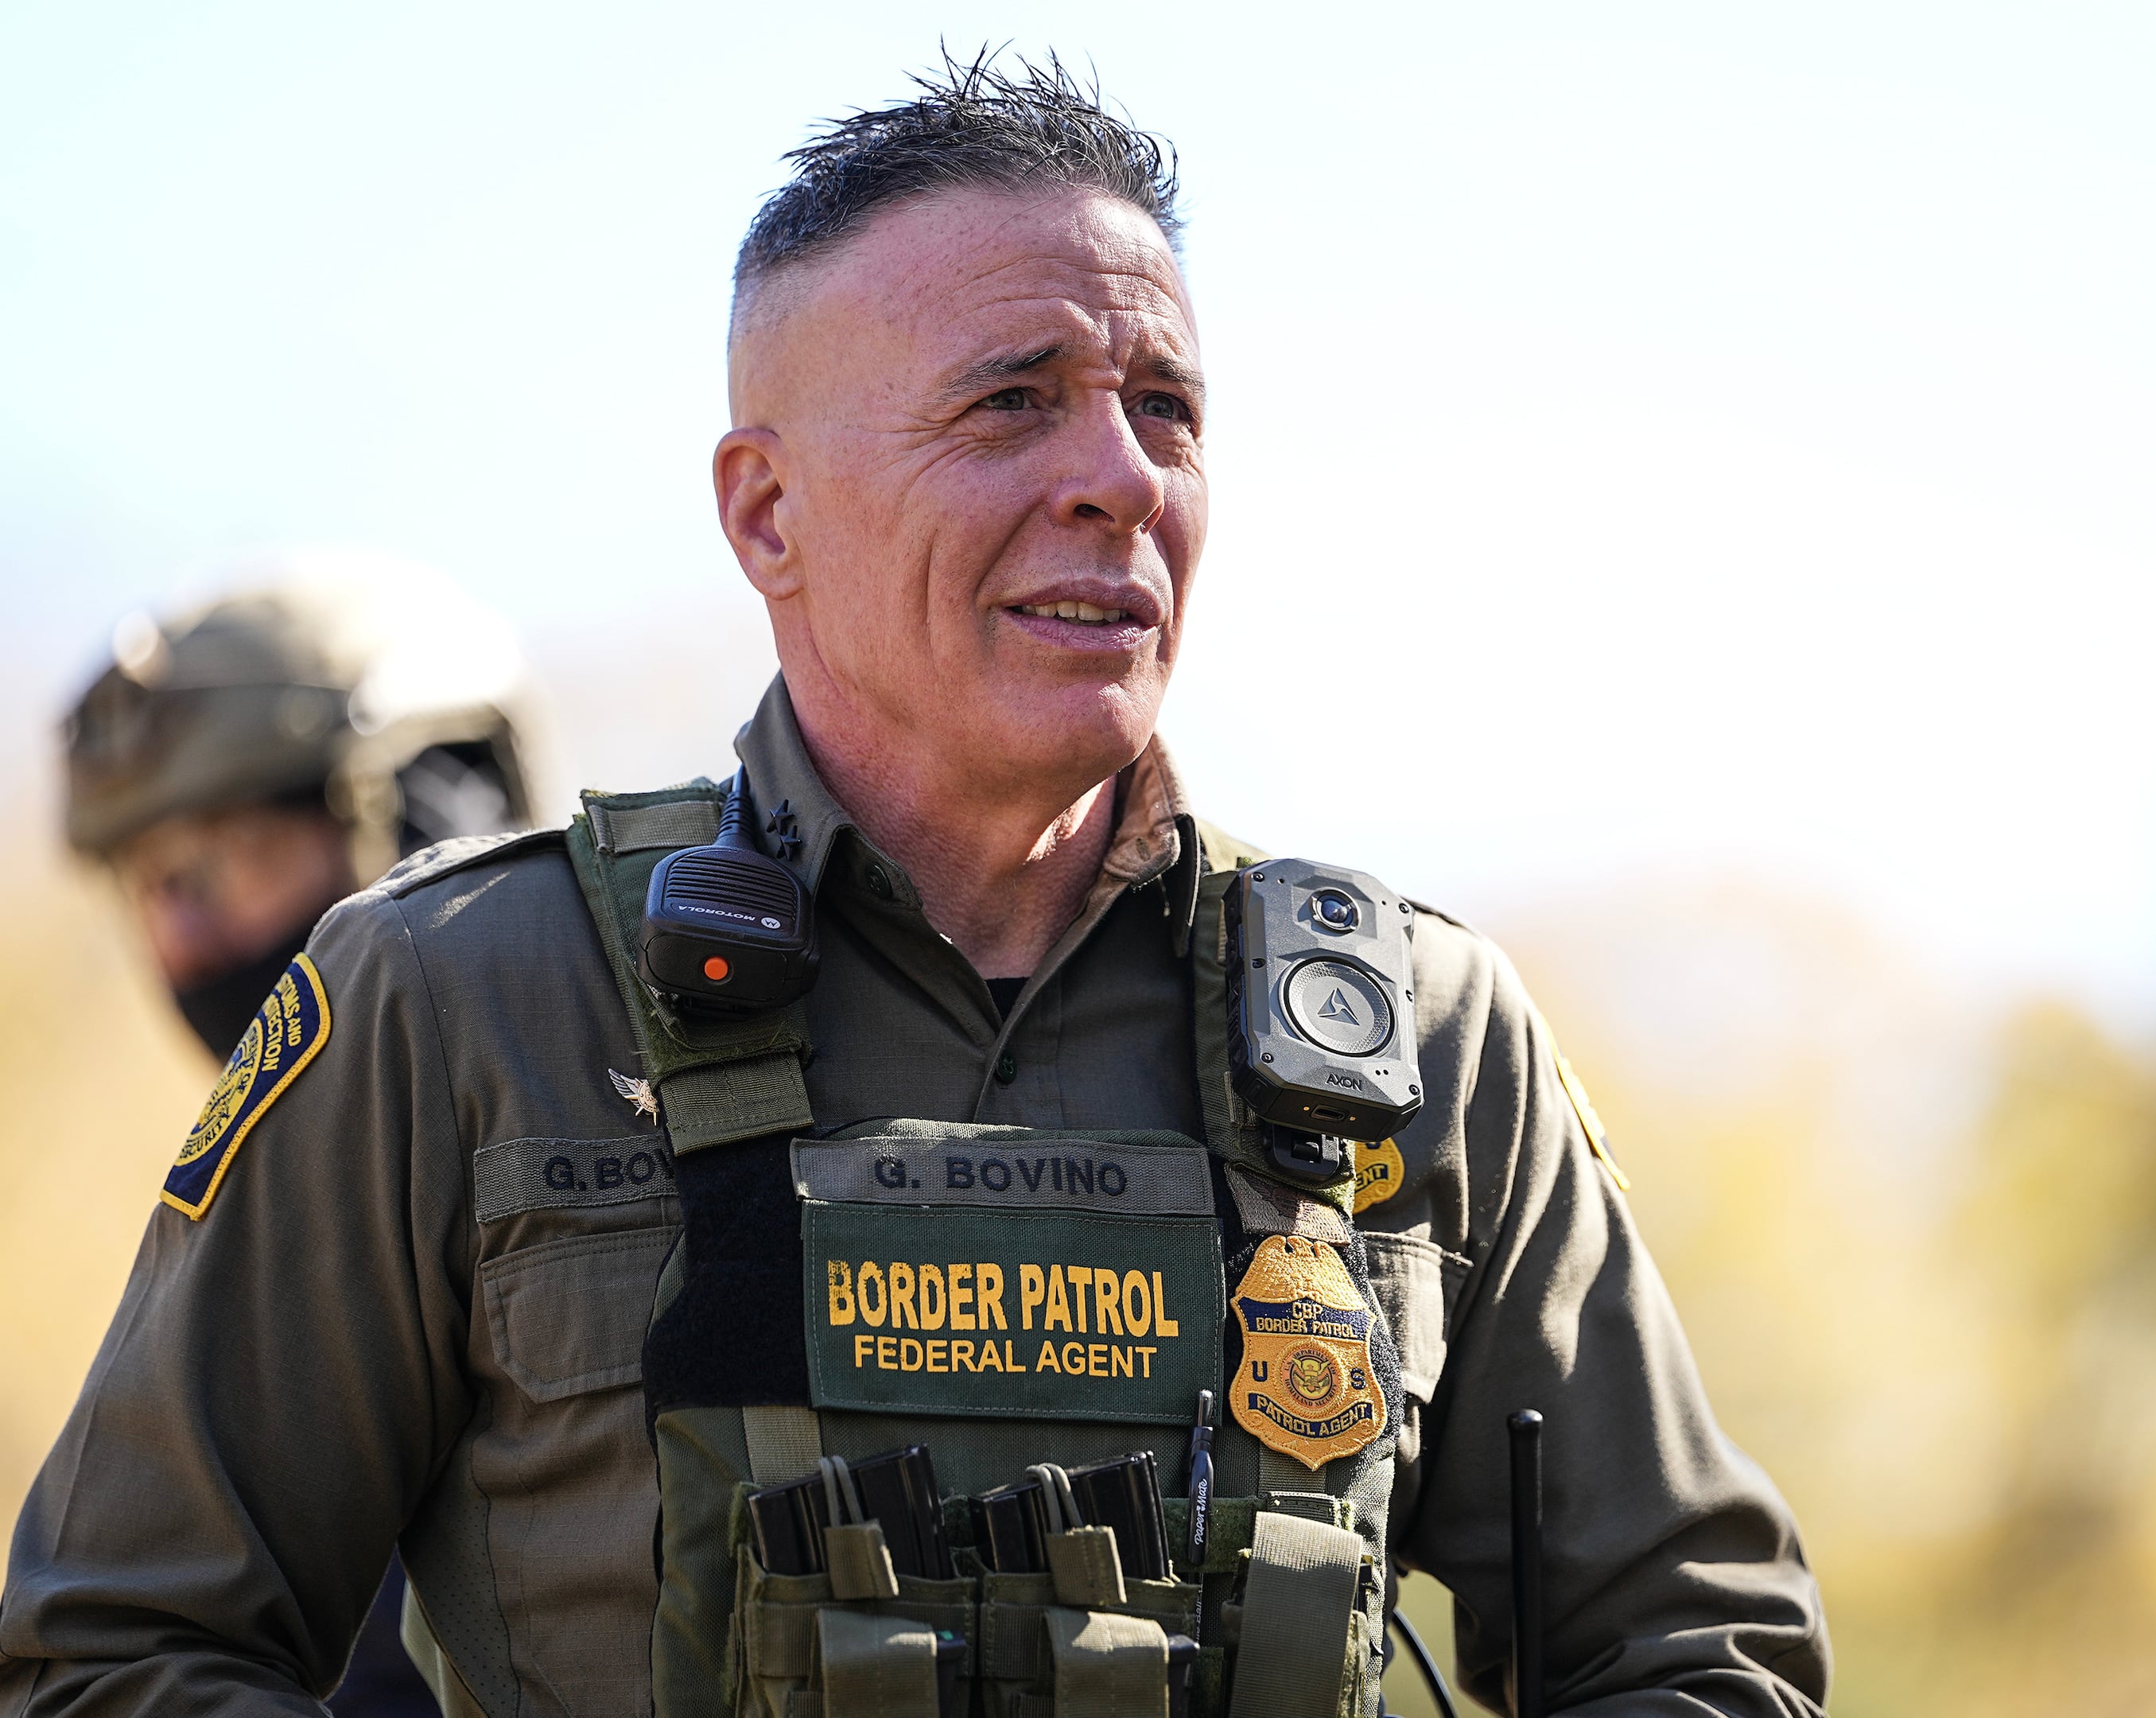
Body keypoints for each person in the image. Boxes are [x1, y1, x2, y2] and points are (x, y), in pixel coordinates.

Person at [0, 54, 1828, 1718]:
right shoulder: (470, 995)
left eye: (1164, 409)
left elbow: (1699, 1648)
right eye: (1011, 403)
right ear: (767, 514)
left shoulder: (1418, 1037)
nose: (1118, 477)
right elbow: (115, 1653)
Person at [50, 562, 539, 1718]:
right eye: (148, 888)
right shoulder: (249, 1281)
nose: (180, 939)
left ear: (428, 819)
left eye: (218, 865)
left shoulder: (675, 1139)